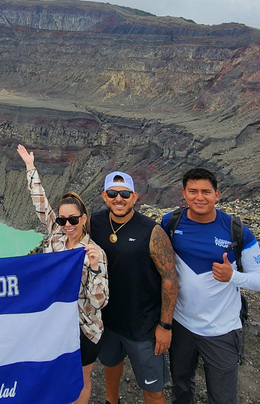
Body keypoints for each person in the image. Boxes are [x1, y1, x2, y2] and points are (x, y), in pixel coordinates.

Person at [161, 168, 260, 404]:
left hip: (222, 330)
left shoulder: (237, 231)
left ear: (217, 194)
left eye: (205, 192)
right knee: (180, 387)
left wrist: (234, 276)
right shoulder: (170, 223)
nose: (199, 197)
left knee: (222, 397)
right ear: (183, 193)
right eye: (193, 191)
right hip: (182, 326)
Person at [17, 144, 109, 404]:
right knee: (55, 375)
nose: (67, 225)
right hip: (54, 323)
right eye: (62, 219)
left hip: (84, 329)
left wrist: (93, 269)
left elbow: (99, 302)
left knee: (81, 380)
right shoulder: (56, 236)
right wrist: (30, 168)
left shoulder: (94, 253)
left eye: (72, 219)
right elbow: (40, 204)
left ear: (83, 218)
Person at [89, 171, 178, 404]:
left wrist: (165, 325)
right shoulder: (95, 223)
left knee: (153, 389)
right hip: (108, 321)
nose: (119, 198)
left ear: (135, 197)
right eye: (113, 193)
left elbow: (170, 278)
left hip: (143, 327)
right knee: (111, 365)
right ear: (104, 196)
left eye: (125, 193)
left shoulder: (152, 231)